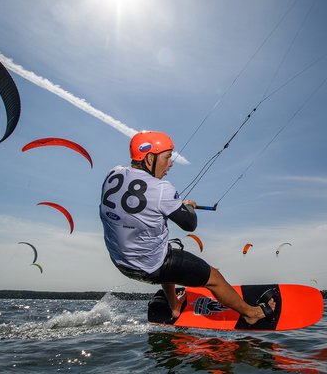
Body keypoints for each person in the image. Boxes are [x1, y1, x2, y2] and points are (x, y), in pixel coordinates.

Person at [99, 131, 275, 324]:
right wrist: (188, 207)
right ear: (150, 158)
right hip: (151, 266)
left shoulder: (113, 174)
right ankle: (251, 313)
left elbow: (134, 201)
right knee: (213, 276)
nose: (170, 164)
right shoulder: (161, 189)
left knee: (167, 250)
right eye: (167, 157)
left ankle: (175, 306)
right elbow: (189, 224)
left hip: (121, 261)